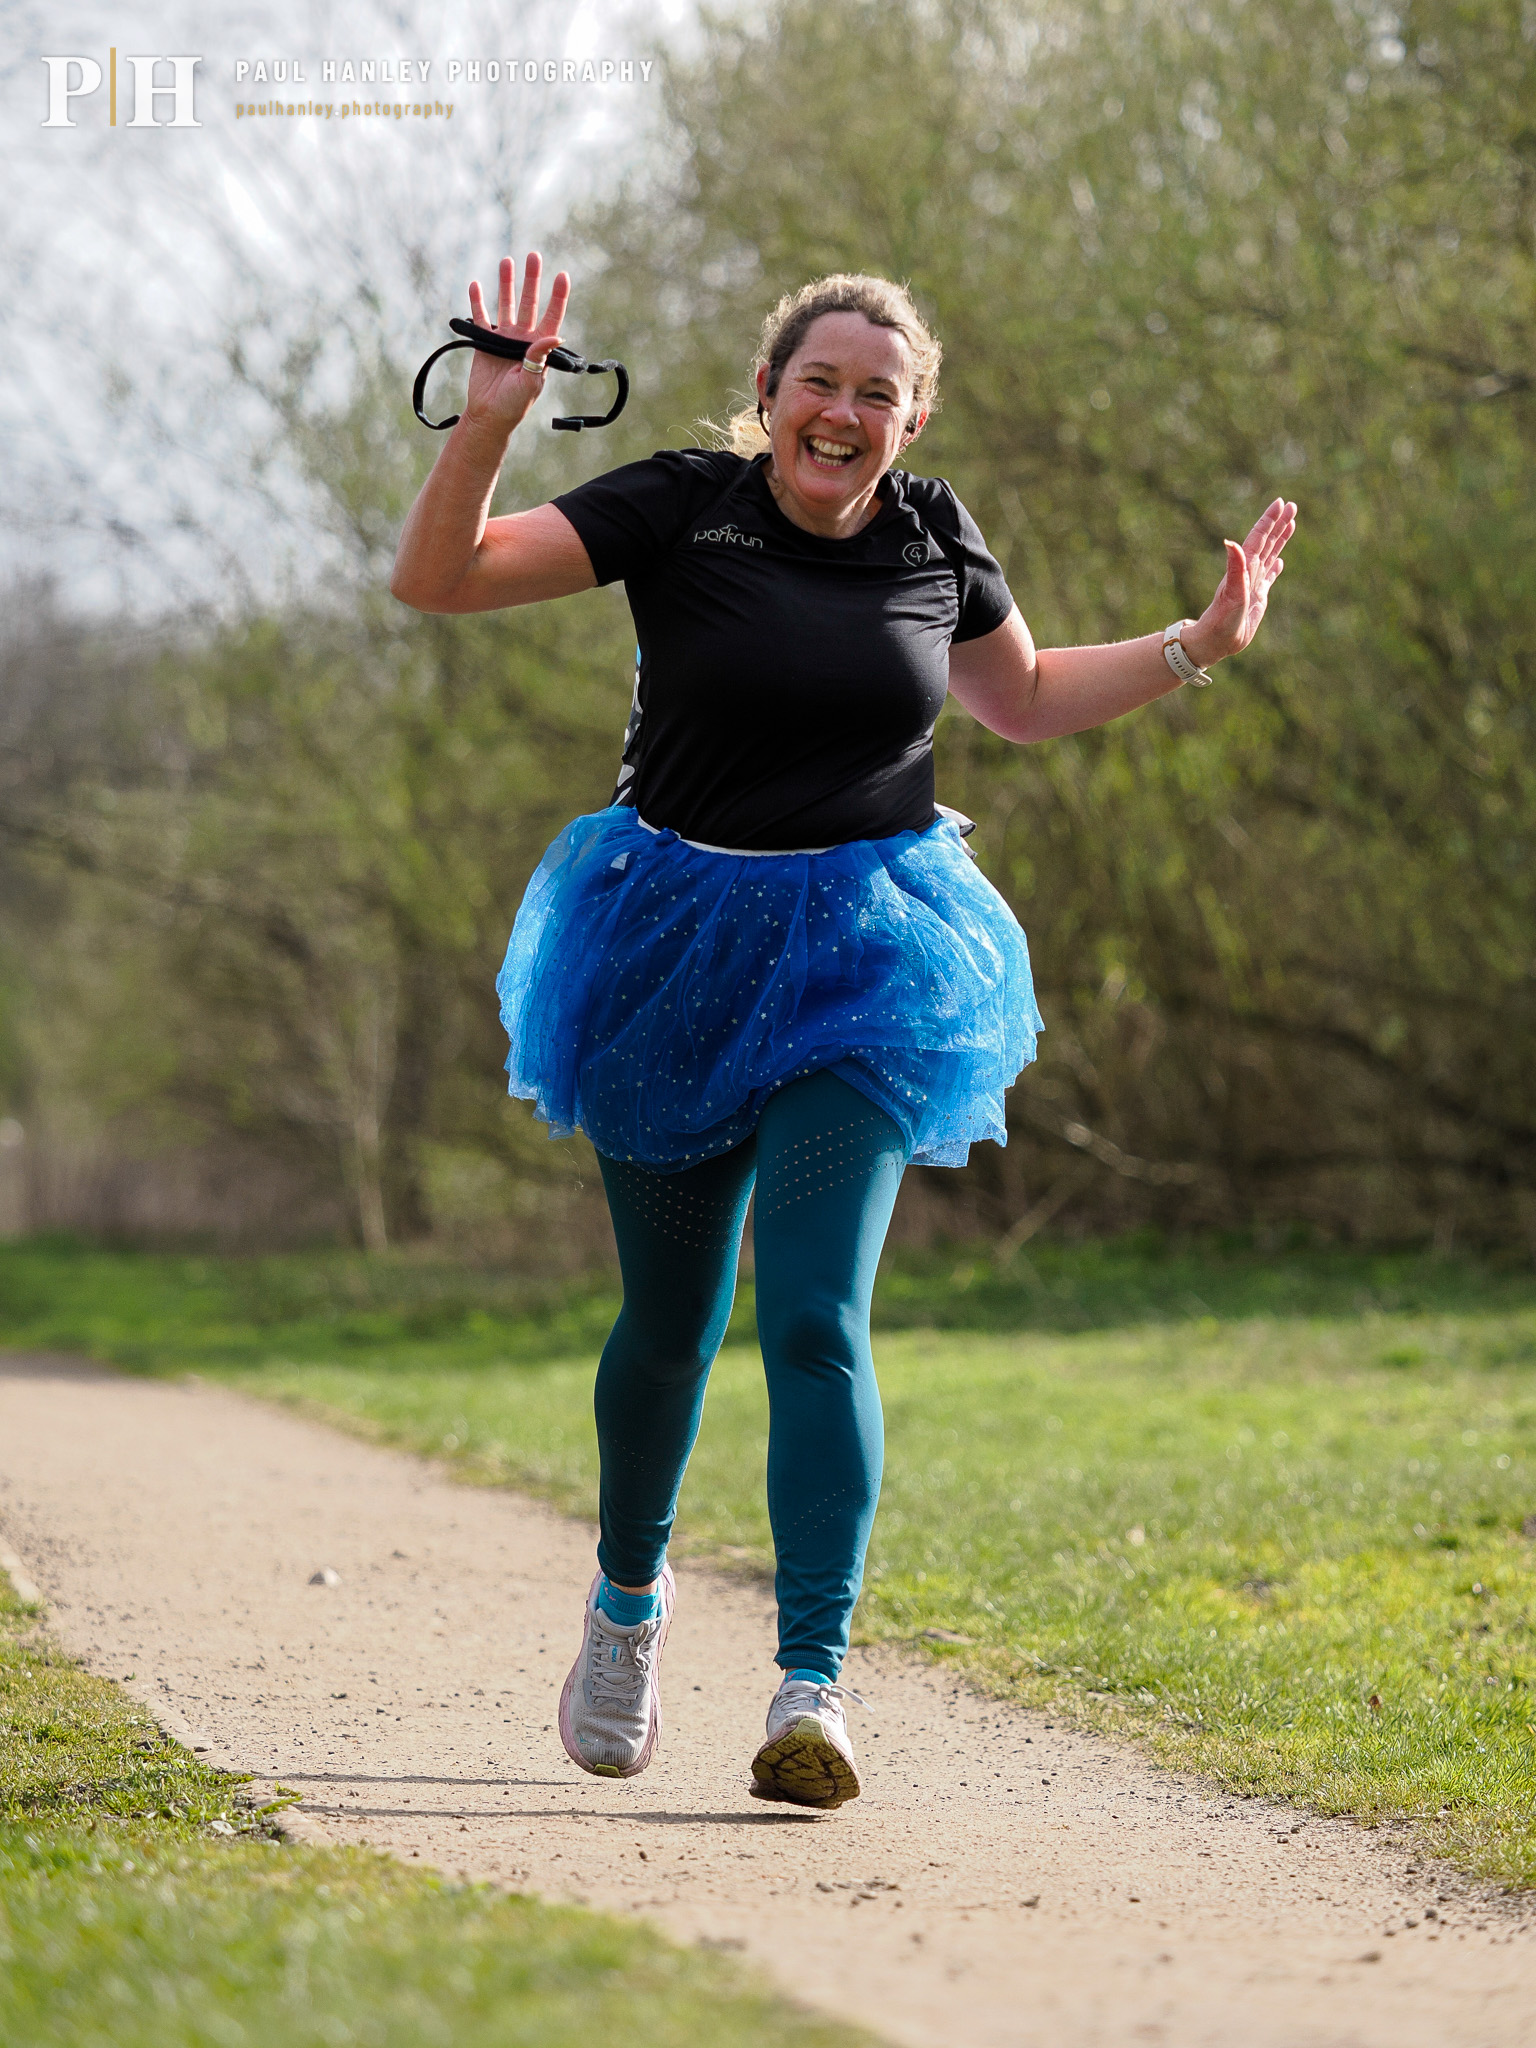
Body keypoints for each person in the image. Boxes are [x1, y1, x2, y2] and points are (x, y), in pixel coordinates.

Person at [391, 250, 1296, 1810]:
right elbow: (442, 578)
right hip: (671, 945)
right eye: (820, 381)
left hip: (871, 965)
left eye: (879, 392)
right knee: (670, 1328)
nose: (845, 410)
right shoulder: (681, 505)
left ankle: (812, 1684)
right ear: (769, 397)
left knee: (815, 1317)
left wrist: (1196, 645)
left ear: (912, 416)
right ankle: (627, 1605)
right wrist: (488, 422)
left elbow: (1016, 702)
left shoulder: (937, 535)